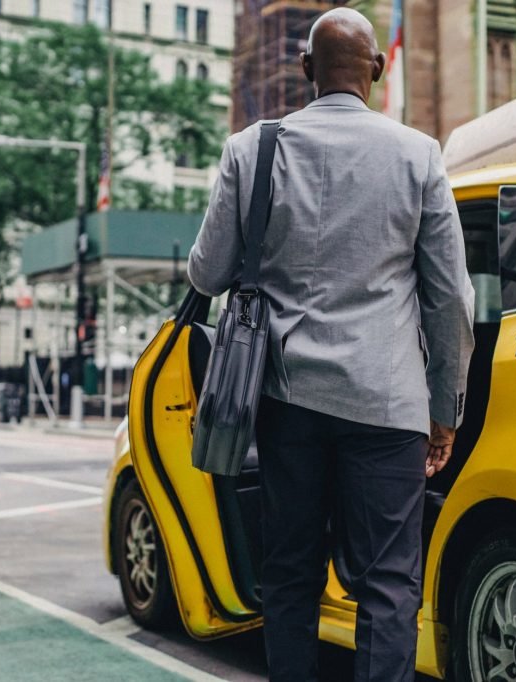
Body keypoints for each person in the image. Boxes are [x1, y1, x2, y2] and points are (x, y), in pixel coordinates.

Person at [187, 8, 474, 682]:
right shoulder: (419, 153)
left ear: (307, 70)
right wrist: (445, 410)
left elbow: (206, 272)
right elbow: (451, 300)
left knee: (289, 574)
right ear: (376, 71)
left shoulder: (252, 149)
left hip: (287, 402)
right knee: (387, 584)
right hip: (388, 406)